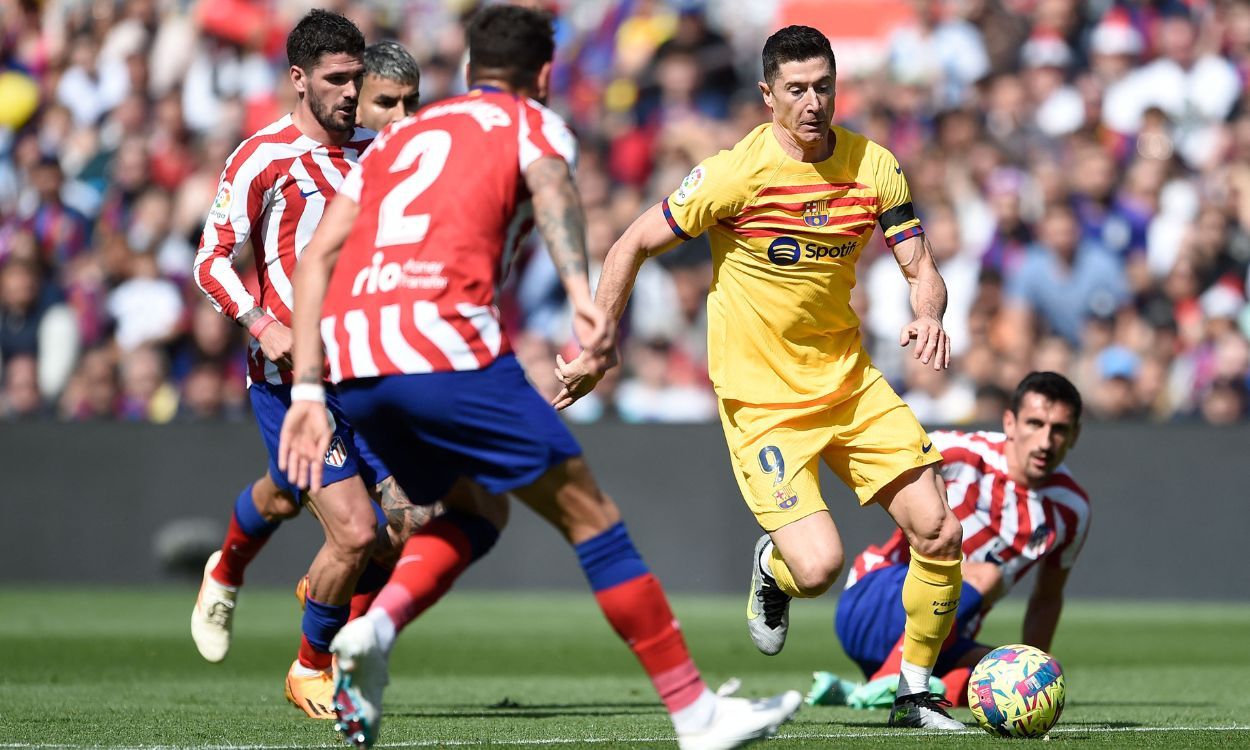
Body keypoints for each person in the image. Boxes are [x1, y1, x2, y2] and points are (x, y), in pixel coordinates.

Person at [279, 6, 801, 749]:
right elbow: (555, 195)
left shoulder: (396, 140)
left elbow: (318, 256)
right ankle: (696, 717)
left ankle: (372, 629)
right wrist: (587, 304)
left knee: (474, 511)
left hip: (357, 367)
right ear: (547, 75)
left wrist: (306, 390)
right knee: (592, 519)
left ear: (466, 72)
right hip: (445, 353)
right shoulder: (534, 125)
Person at [555, 25, 965, 730]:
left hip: (851, 383)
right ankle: (772, 569)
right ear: (767, 95)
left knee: (939, 531)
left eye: (824, 87)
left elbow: (921, 266)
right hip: (764, 403)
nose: (813, 103)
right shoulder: (734, 174)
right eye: (797, 90)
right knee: (818, 568)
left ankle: (916, 693)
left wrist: (928, 314)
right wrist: (598, 344)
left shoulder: (874, 167)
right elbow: (630, 245)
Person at [189, 10, 403, 719]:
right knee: (356, 531)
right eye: (336, 79)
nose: (349, 92)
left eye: (356, 79)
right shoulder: (262, 157)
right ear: (299, 79)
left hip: (366, 376)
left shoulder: (380, 151)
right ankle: (313, 665)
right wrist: (261, 322)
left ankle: (231, 568)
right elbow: (210, 260)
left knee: (396, 523)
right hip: (291, 381)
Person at [810, 372, 1091, 710]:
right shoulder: (958, 452)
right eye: (1034, 423)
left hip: (939, 637)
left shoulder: (1071, 508)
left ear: (1075, 435)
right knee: (986, 574)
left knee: (1001, 679)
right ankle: (894, 682)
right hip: (875, 601)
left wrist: (1034, 674)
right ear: (1010, 423)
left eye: (1059, 429)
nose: (1045, 441)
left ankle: (860, 692)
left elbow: (1047, 599)